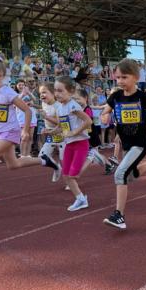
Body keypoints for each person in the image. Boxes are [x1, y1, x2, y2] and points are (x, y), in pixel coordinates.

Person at [0, 56, 59, 211]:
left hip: (10, 131)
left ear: (0, 75)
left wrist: (25, 130)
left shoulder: (8, 93)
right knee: (13, 164)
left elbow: (27, 110)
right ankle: (44, 160)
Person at [100, 58, 146, 229]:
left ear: (136, 77)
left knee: (119, 174)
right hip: (126, 144)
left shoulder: (142, 96)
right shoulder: (115, 96)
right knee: (130, 175)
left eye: (124, 77)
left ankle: (119, 216)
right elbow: (105, 112)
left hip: (140, 143)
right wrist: (105, 116)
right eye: (118, 78)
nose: (120, 81)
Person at [53, 77, 93, 211]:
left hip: (81, 143)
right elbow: (62, 127)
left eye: (60, 91)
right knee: (66, 176)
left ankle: (81, 199)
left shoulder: (73, 105)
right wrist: (50, 132)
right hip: (69, 144)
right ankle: (81, 199)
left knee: (73, 176)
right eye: (55, 91)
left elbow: (88, 121)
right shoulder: (59, 107)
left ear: (70, 92)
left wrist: (75, 132)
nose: (57, 94)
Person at [37, 82, 65, 182]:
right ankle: (56, 168)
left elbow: (60, 122)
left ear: (53, 93)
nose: (42, 95)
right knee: (42, 156)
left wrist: (46, 117)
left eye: (44, 92)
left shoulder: (59, 106)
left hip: (62, 135)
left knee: (64, 160)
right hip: (51, 135)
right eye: (40, 93)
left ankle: (70, 182)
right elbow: (44, 110)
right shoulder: (43, 103)